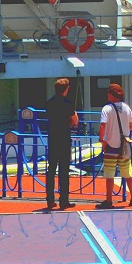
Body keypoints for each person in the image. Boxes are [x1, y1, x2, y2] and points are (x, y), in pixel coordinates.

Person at [97, 83, 132, 209]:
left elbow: (103, 126)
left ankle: (109, 200)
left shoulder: (106, 109)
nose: (107, 94)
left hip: (110, 145)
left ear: (112, 95)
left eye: (108, 92)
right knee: (127, 173)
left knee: (109, 174)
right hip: (124, 145)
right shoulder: (126, 108)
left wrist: (102, 140)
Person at [43, 77, 78, 211]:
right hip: (64, 139)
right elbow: (74, 121)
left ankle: (50, 200)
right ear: (66, 89)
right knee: (64, 171)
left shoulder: (49, 103)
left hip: (53, 139)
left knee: (51, 170)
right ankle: (64, 200)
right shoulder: (68, 103)